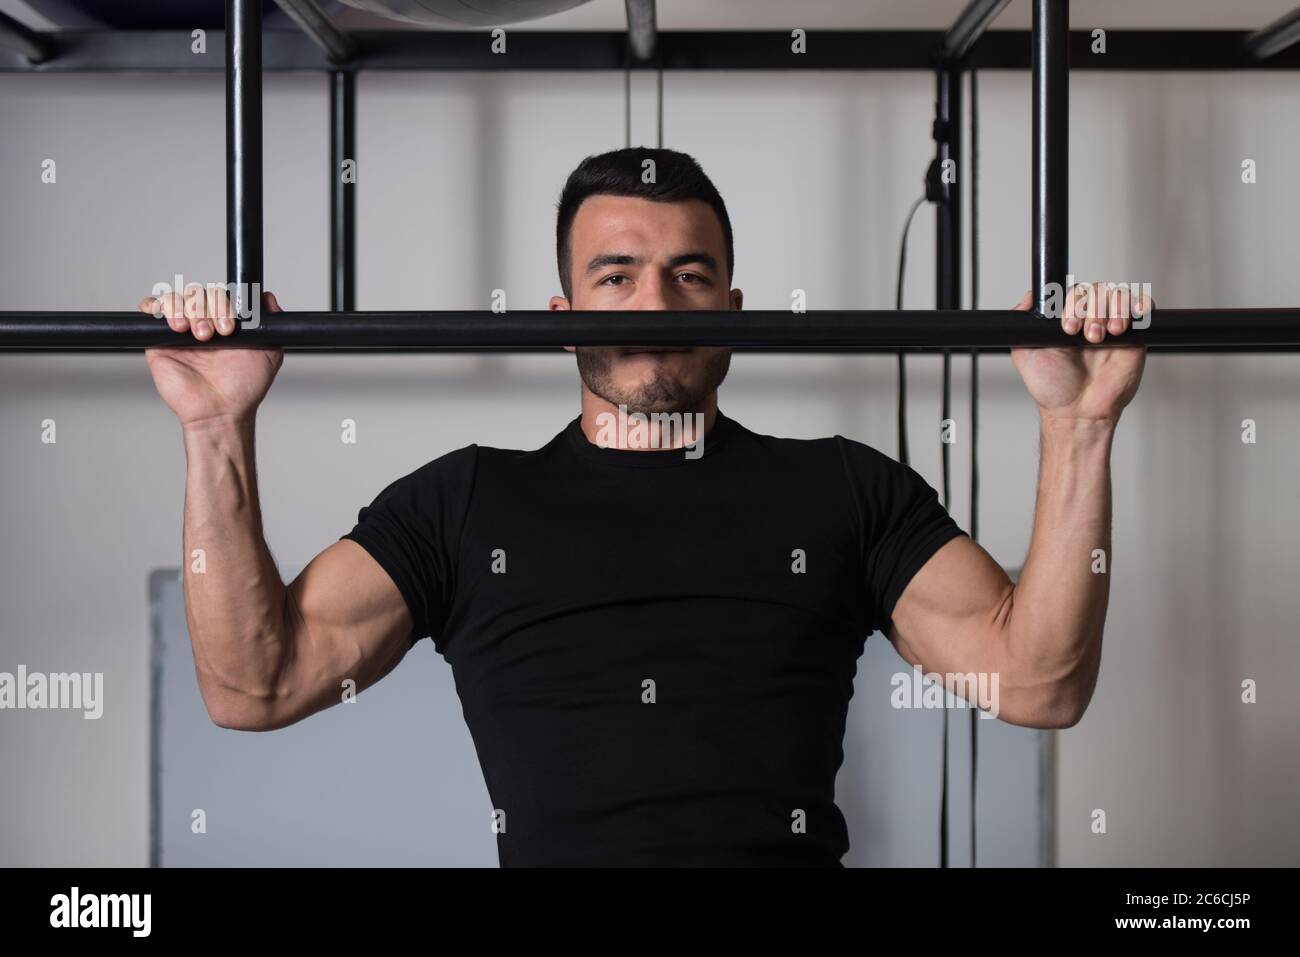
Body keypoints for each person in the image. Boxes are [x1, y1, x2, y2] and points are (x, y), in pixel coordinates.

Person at [136, 147, 1147, 866]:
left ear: (734, 313)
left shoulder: (843, 487)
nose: (654, 303)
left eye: (687, 275)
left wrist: (1080, 422)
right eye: (616, 277)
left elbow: (1035, 685)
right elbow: (252, 688)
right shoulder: (464, 503)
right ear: (564, 319)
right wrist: (215, 426)